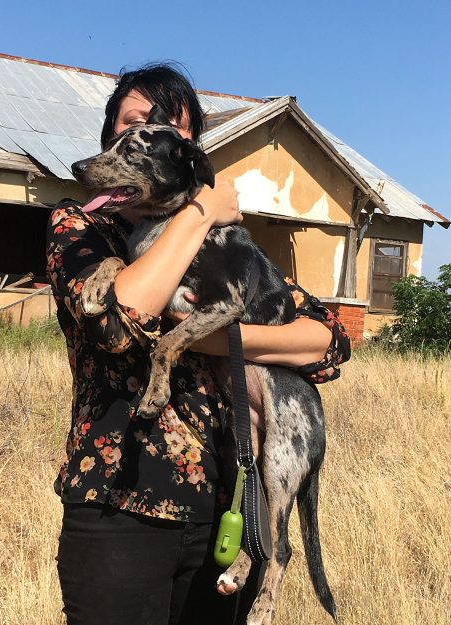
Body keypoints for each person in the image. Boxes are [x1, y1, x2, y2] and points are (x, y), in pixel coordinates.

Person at [46, 63, 350, 625]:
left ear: (181, 157)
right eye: (130, 127)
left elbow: (326, 344)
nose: (138, 140)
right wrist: (203, 209)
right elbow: (119, 322)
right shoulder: (83, 228)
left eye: (166, 133)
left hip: (225, 506)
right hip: (119, 505)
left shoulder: (228, 246)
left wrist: (216, 344)